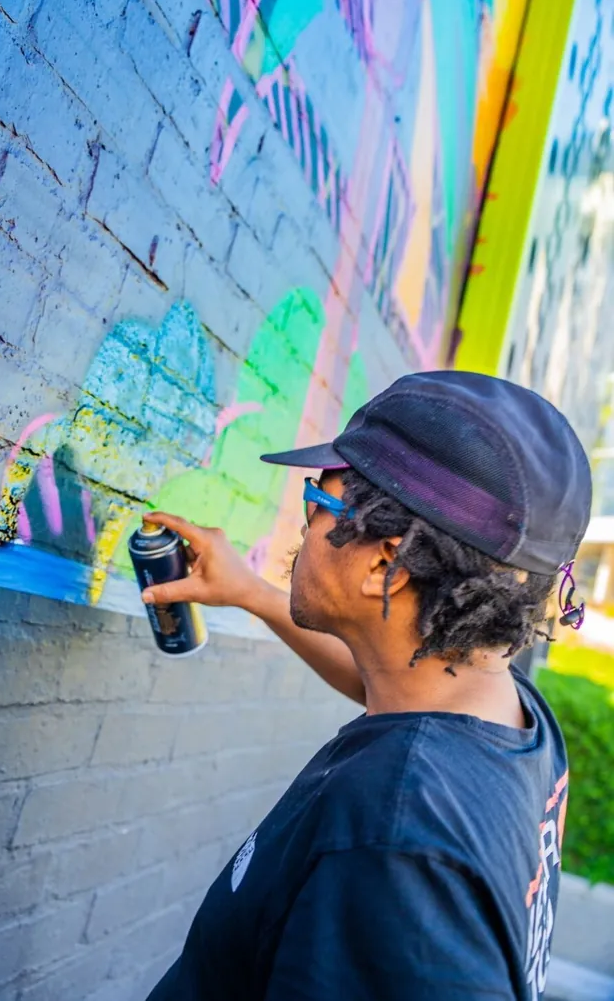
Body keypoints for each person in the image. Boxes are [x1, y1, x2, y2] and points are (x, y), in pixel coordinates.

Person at [144, 371, 591, 1001]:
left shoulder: (394, 852)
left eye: (315, 503)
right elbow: (376, 677)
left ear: (386, 563)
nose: (303, 524)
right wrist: (251, 595)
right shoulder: (506, 715)